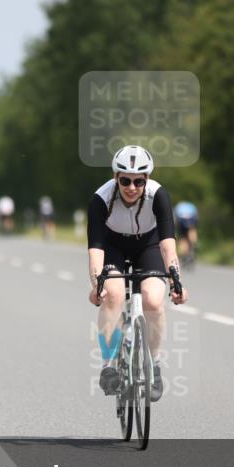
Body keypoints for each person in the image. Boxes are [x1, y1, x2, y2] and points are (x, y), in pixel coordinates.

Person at [87, 145, 189, 402]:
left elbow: (168, 245)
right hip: (113, 246)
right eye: (125, 180)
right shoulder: (101, 199)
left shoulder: (159, 196)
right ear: (115, 178)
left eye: (138, 181)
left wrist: (176, 281)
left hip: (148, 244)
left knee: (154, 300)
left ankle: (153, 365)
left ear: (147, 179)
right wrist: (96, 285)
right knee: (113, 294)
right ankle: (109, 364)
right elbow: (96, 250)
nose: (132, 187)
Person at [173, 201, 199, 265]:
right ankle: (194, 242)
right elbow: (196, 216)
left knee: (183, 238)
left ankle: (185, 253)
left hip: (181, 219)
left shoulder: (178, 206)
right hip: (191, 218)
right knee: (192, 229)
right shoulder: (191, 205)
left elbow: (175, 217)